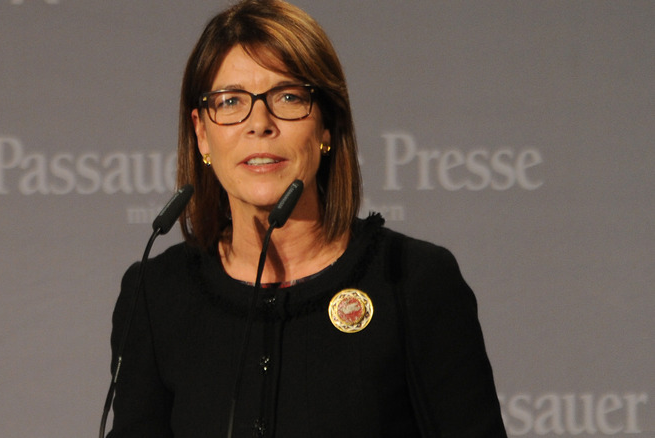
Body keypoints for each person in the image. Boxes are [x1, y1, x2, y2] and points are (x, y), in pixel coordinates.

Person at [108, 0, 508, 436]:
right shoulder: (156, 294)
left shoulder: (412, 280)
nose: (259, 123)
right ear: (202, 133)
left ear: (326, 128)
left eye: (288, 97)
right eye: (231, 101)